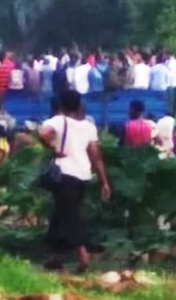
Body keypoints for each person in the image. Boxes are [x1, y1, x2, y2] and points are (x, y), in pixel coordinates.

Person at [38, 90, 111, 273]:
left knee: (70, 215)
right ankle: (54, 257)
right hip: (83, 175)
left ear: (60, 105)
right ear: (79, 105)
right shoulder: (88, 127)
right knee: (60, 213)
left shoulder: (57, 121)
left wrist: (52, 148)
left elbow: (43, 134)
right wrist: (104, 181)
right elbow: (96, 156)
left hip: (64, 174)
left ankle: (83, 255)